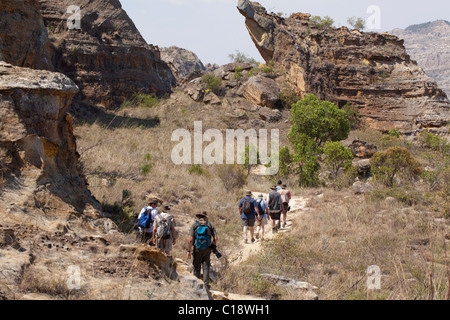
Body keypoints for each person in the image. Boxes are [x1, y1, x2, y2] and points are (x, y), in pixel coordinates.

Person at [187, 212, 218, 289]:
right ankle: (206, 286)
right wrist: (212, 246)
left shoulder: (195, 225)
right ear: (205, 217)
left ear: (198, 217)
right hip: (207, 249)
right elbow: (216, 238)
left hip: (197, 249)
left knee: (196, 267)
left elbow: (190, 240)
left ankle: (196, 285)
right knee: (206, 267)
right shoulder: (210, 224)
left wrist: (188, 250)